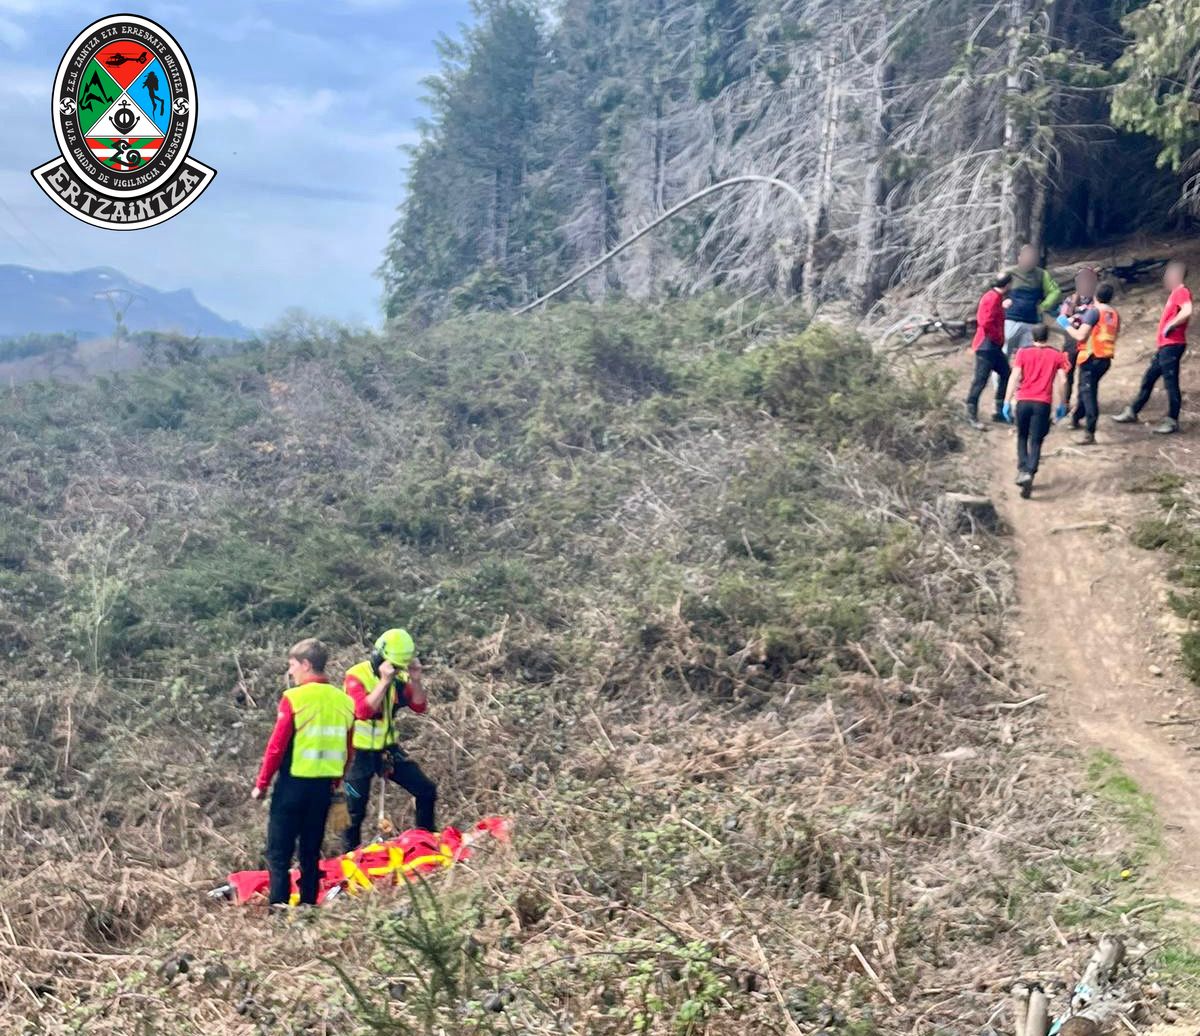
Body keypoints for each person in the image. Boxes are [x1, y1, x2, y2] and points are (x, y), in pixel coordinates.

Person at [252, 639, 355, 908]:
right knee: (310, 850)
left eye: (293, 666)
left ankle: (278, 909)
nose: (291, 672)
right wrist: (336, 781)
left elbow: (276, 747)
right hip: (323, 789)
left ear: (306, 665)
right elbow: (348, 750)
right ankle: (309, 907)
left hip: (292, 786)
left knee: (279, 852)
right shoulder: (344, 701)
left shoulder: (294, 698)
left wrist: (261, 784)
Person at [340, 628, 436, 852]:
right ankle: (349, 859)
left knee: (426, 790)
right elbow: (362, 711)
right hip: (357, 753)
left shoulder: (400, 677)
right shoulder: (356, 676)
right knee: (354, 810)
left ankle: (427, 842)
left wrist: (415, 679)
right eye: (394, 665)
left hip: (387, 750)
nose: (396, 670)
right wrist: (384, 682)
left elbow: (419, 706)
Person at [1113, 260, 1193, 434]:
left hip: (1172, 345)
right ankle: (1132, 411)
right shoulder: (1174, 294)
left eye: (1168, 274)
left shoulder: (1181, 291)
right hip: (1165, 347)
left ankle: (1172, 420)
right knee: (1149, 378)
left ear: (1176, 275)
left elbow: (1187, 310)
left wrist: (1171, 325)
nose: (1166, 277)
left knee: (1171, 383)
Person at [1003, 324, 1070, 498]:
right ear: (1048, 336)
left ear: (1032, 336)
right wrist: (1063, 403)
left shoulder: (1023, 353)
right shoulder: (1057, 355)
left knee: (1022, 436)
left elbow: (1015, 376)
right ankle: (1030, 472)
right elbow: (1062, 381)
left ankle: (1022, 469)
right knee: (1036, 439)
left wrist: (1007, 400)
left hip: (1023, 400)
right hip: (1042, 403)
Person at [1062, 282, 1120, 445]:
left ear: (1095, 296)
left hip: (1091, 357)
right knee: (1086, 389)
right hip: (1106, 358)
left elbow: (1080, 336)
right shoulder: (1114, 313)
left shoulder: (1094, 312)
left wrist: (1066, 325)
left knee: (1089, 394)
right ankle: (1075, 418)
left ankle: (1090, 432)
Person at [965, 273, 1013, 428]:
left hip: (993, 346)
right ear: (1007, 285)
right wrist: (997, 337)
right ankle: (971, 413)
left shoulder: (995, 297)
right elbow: (985, 322)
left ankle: (998, 410)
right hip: (986, 346)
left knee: (1006, 373)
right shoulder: (992, 298)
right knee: (980, 379)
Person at [1004, 244, 1063, 359]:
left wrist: (1043, 306)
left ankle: (1025, 377)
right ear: (1019, 257)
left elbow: (1055, 292)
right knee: (1004, 352)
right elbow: (996, 288)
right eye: (1026, 256)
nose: (1029, 260)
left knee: (1027, 355)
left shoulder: (1042, 274)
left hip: (1031, 321)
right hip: (1010, 319)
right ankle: (1001, 377)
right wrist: (1002, 301)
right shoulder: (1010, 273)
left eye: (1032, 257)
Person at [1056, 266, 1098, 413]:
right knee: (1067, 374)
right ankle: (1065, 402)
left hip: (1089, 344)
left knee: (1085, 378)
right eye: (1081, 281)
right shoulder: (1071, 300)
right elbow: (1062, 318)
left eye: (1088, 281)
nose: (1085, 284)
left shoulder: (1096, 301)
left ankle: (1081, 406)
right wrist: (1070, 321)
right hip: (1071, 343)